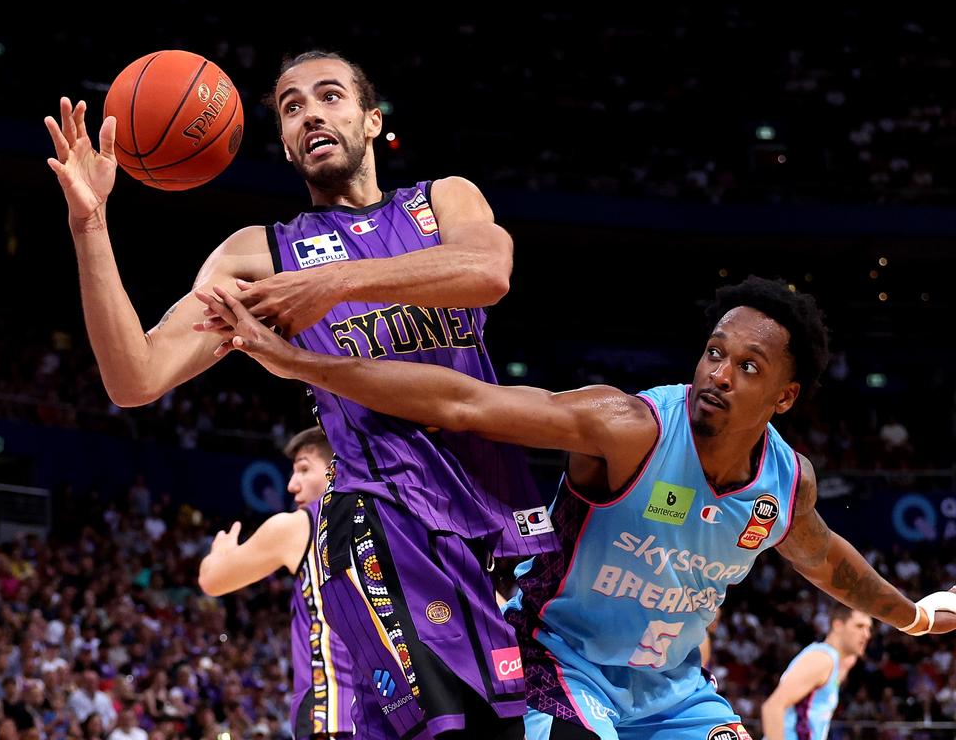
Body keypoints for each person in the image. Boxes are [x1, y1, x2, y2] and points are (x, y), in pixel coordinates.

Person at [46, 50, 556, 739]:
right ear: (286, 146)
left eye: (329, 97)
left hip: (497, 515)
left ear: (371, 121)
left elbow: (488, 269)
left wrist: (338, 282)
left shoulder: (443, 201)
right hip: (385, 516)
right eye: (291, 108)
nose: (310, 112)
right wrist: (90, 225)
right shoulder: (259, 255)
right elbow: (134, 377)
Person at [202, 275, 956, 740]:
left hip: (672, 694)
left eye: (748, 367)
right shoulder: (625, 427)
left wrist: (917, 617)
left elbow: (832, 565)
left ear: (784, 397)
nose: (718, 373)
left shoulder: (788, 487)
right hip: (555, 667)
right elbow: (467, 403)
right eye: (714, 353)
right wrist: (300, 363)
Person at [199, 427, 355, 739]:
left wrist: (220, 554)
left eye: (304, 468)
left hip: (332, 708)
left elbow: (212, 580)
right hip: (389, 708)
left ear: (337, 467)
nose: (291, 485)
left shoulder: (301, 523)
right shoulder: (385, 523)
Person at [760, 604, 871, 740]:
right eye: (859, 626)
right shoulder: (821, 659)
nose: (866, 634)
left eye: (868, 628)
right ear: (838, 625)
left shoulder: (832, 660)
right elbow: (772, 707)